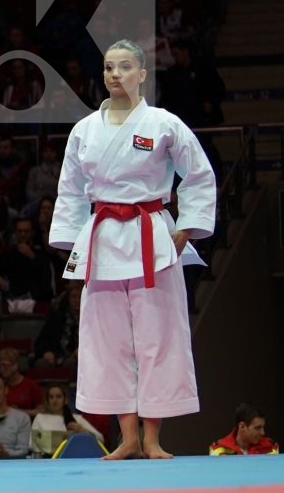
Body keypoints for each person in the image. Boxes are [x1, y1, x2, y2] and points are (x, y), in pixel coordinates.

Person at [49, 38, 215, 459]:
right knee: (109, 341)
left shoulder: (163, 123)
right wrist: (72, 238)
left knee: (159, 338)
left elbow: (198, 174)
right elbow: (70, 189)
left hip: (151, 236)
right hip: (104, 237)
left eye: (124, 67)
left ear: (142, 74)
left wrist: (187, 227)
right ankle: (127, 437)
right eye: (109, 67)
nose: (115, 74)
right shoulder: (85, 130)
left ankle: (153, 438)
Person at [31, 382, 104, 457]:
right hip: (46, 459)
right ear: (47, 400)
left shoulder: (77, 418)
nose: (54, 400)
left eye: (58, 396)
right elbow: (32, 444)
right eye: (51, 397)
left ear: (65, 399)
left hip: (73, 458)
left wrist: (82, 430)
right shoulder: (40, 418)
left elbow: (100, 439)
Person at [209, 404, 277, 455]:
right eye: (257, 428)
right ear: (242, 426)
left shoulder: (270, 447)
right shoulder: (218, 449)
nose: (263, 433)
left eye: (263, 427)